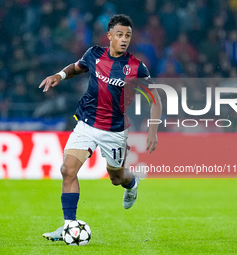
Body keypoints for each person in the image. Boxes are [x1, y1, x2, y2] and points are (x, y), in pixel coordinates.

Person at [39, 14, 162, 242]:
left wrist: (153, 131)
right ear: (109, 36)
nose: (124, 39)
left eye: (128, 36)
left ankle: (131, 183)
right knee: (67, 170)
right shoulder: (94, 54)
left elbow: (155, 98)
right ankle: (68, 226)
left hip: (114, 131)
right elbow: (77, 67)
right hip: (86, 122)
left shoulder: (136, 67)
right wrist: (60, 75)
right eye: (119, 35)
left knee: (116, 178)